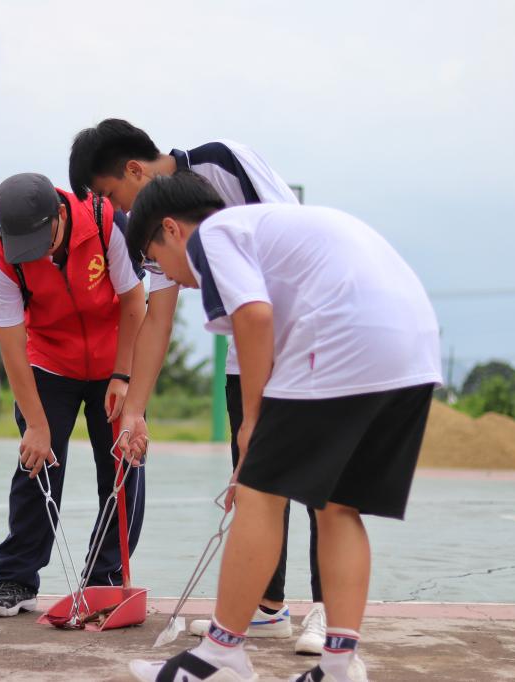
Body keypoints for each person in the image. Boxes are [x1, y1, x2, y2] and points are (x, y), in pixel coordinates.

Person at [123, 173, 441, 682]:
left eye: (152, 258)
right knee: (339, 506)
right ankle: (338, 667)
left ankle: (218, 657)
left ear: (171, 229)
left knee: (258, 494)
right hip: (412, 348)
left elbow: (254, 317)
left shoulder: (216, 233)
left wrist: (253, 421)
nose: (167, 277)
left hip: (342, 338)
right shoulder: (266, 229)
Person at [70, 118, 324, 650]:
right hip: (246, 353)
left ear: (134, 170)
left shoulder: (223, 161)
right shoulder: (155, 230)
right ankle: (266, 608)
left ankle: (327, 609)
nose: (113, 210)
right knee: (257, 484)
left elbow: (293, 236)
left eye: (109, 195)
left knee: (320, 485)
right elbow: (157, 319)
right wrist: (134, 411)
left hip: (306, 337)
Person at [0, 172, 146, 617]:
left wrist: (124, 376)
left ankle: (103, 579)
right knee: (37, 462)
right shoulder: (1, 259)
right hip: (49, 362)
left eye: (41, 240)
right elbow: (11, 345)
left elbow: (134, 302)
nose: (36, 253)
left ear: (59, 214)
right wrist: (36, 424)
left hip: (114, 360)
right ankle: (17, 579)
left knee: (123, 463)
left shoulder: (104, 221)